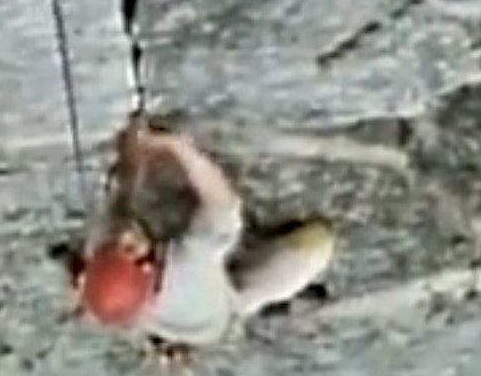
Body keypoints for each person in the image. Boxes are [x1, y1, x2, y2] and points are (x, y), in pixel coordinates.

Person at [59, 112, 336, 362]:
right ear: (151, 269)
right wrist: (180, 148)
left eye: (116, 245)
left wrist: (135, 140)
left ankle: (165, 340)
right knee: (318, 241)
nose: (124, 234)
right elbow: (223, 205)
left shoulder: (104, 246)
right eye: (130, 247)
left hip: (161, 314)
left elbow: (125, 186)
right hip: (218, 314)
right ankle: (268, 303)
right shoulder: (188, 266)